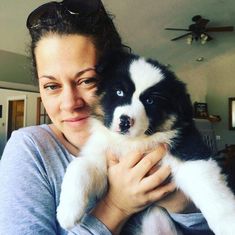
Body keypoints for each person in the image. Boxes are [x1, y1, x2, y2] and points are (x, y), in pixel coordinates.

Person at [0, 0, 213, 234]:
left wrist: (182, 203)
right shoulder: (31, 150)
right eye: (52, 86)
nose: (70, 103)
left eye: (87, 80)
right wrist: (116, 206)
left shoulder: (156, 136)